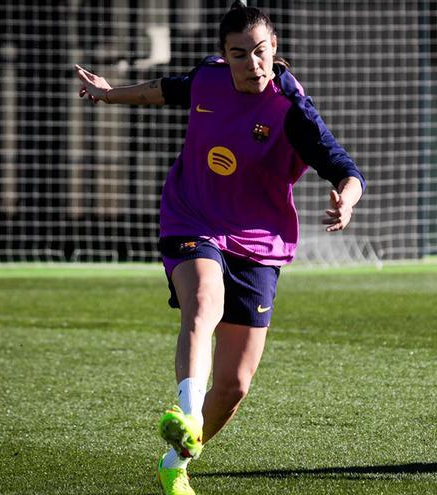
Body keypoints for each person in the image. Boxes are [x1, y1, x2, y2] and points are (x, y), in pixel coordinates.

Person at [74, 2, 365, 494]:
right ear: (223, 56)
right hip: (192, 217)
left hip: (257, 242)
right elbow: (163, 91)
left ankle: (176, 461)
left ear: (274, 47)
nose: (253, 64)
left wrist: (347, 203)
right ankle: (185, 412)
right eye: (239, 54)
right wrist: (109, 95)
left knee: (233, 386)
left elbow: (346, 169)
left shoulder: (291, 109)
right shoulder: (208, 80)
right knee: (203, 300)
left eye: (260, 51)